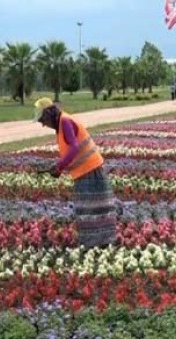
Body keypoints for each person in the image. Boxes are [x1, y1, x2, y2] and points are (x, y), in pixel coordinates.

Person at [34, 97, 118, 249]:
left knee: (91, 208)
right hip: (85, 171)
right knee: (92, 207)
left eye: (42, 120)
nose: (42, 124)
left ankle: (97, 243)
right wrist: (60, 168)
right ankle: (99, 243)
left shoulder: (65, 122)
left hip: (90, 170)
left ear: (49, 114)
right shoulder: (61, 124)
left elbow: (74, 148)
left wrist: (59, 166)